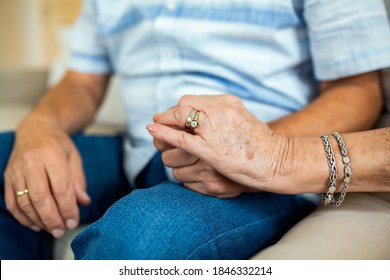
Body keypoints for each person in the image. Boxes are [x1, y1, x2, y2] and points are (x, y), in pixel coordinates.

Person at [1, 0, 390, 259]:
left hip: (257, 170)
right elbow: (82, 81)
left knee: (137, 239)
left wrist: (262, 153)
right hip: (134, 152)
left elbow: (358, 89)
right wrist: (39, 126)